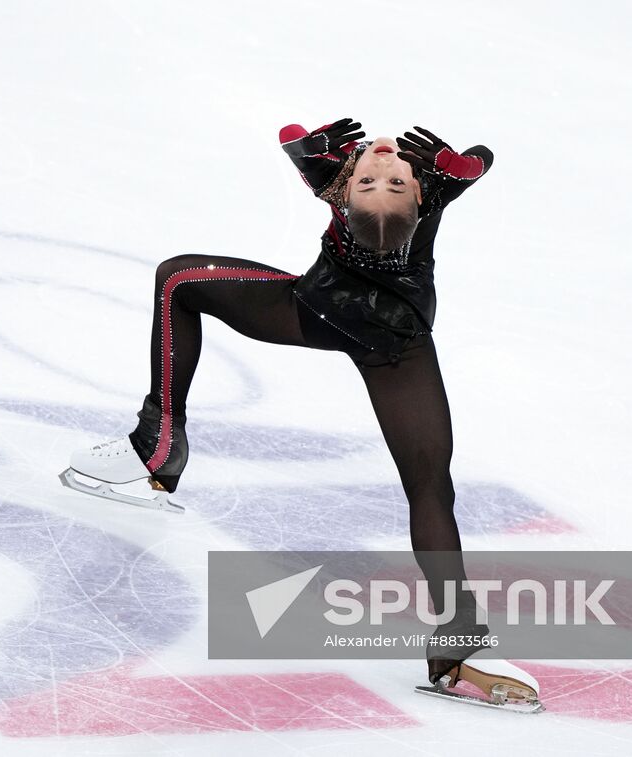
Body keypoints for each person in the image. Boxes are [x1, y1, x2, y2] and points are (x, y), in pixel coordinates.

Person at [59, 118, 540, 711]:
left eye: (383, 178)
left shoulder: (352, 178)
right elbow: (481, 157)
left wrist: (309, 150)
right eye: (377, 176)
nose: (385, 160)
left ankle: (154, 448)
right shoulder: (430, 184)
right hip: (398, 345)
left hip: (317, 315)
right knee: (430, 490)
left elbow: (304, 144)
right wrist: (452, 166)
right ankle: (458, 648)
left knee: (179, 278)